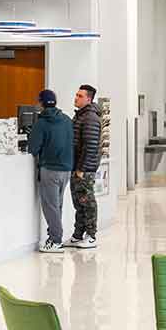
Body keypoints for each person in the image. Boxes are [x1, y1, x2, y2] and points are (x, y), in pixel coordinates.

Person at [28, 88, 75, 253]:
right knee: (58, 205)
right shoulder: (67, 120)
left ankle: (56, 240)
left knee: (50, 207)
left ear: (41, 103)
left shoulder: (41, 123)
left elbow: (33, 148)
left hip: (50, 169)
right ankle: (54, 237)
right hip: (66, 169)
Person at [70, 83, 104, 250]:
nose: (76, 98)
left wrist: (81, 169)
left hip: (85, 169)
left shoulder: (90, 117)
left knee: (87, 201)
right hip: (78, 166)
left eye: (80, 96)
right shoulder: (81, 115)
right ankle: (78, 235)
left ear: (89, 99)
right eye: (76, 95)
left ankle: (91, 235)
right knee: (79, 203)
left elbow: (90, 146)